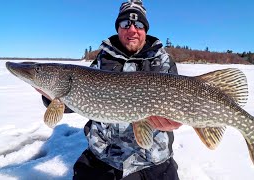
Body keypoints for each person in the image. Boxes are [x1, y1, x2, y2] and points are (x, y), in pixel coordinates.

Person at [36, 0, 182, 179]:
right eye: (125, 23)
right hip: (104, 157)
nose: (132, 29)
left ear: (145, 29)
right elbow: (74, 102)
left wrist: (175, 119)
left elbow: (180, 106)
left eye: (139, 24)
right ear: (118, 28)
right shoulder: (101, 61)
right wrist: (52, 96)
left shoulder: (164, 62)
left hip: (153, 160)